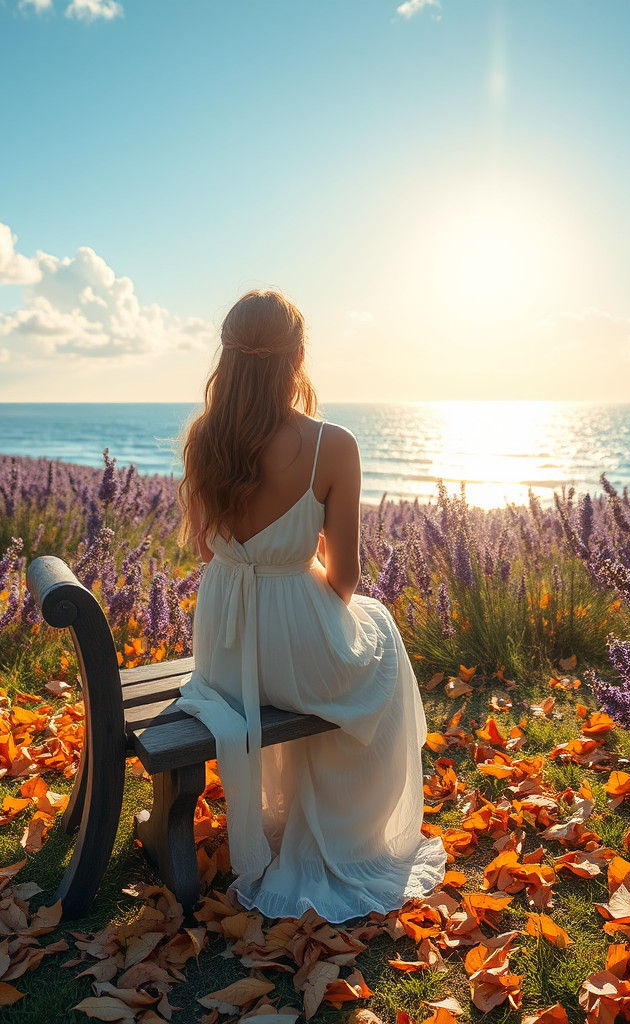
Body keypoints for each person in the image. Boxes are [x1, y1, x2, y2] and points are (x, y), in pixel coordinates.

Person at [176, 289, 446, 923]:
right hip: (290, 649)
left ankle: (296, 815)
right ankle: (350, 828)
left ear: (227, 358)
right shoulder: (333, 445)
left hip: (224, 651)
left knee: (363, 629)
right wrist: (294, 572)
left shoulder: (202, 441)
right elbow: (345, 579)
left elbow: (205, 547)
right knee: (378, 628)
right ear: (297, 357)